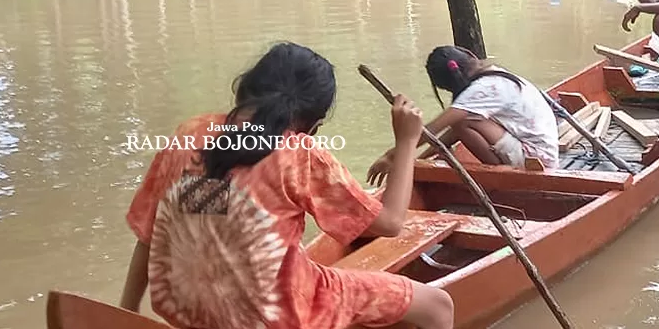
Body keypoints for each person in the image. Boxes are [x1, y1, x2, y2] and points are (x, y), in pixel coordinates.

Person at [118, 42, 454, 329]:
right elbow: (392, 222)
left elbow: (148, 237)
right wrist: (407, 142)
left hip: (188, 311)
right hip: (277, 317)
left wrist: (125, 314)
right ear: (314, 123)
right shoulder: (299, 155)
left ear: (247, 87)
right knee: (439, 306)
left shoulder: (189, 133)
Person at [367, 46, 559, 184]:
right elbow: (448, 135)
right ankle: (501, 170)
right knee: (462, 123)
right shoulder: (494, 74)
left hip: (537, 161)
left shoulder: (479, 90)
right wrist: (419, 160)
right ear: (470, 55)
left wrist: (392, 156)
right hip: (542, 153)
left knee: (461, 123)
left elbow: (433, 129)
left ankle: (502, 176)